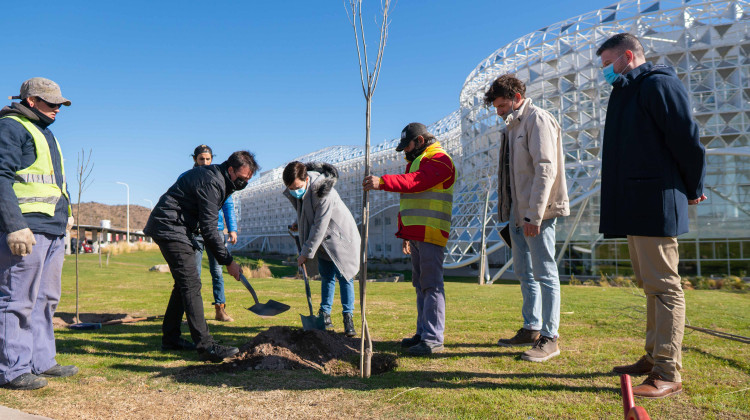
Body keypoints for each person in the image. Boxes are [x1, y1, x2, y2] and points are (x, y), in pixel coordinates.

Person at [597, 33, 706, 398]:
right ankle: (652, 356)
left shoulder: (658, 84)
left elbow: (686, 138)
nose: (605, 73)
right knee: (650, 286)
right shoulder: (628, 89)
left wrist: (693, 186)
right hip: (637, 201)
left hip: (655, 200)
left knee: (664, 286)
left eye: (607, 64)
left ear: (628, 56)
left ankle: (667, 371)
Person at [484, 74, 570, 363]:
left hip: (538, 214)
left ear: (516, 98)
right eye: (495, 106)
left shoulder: (537, 120)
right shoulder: (511, 128)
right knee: (524, 272)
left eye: (500, 105)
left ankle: (550, 337)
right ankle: (532, 327)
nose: (498, 111)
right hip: (518, 216)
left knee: (545, 273)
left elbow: (545, 169)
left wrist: (534, 214)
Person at [0, 77, 78, 390]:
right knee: (17, 300)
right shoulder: (11, 127)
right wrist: (14, 225)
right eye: (52, 103)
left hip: (54, 229)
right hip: (26, 229)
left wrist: (68, 217)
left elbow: (56, 184)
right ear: (32, 101)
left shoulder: (46, 133)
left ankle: (42, 361)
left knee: (45, 299)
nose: (58, 109)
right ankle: (11, 369)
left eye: (60, 104)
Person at [144, 151, 258, 363]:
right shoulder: (212, 182)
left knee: (182, 285)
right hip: (170, 226)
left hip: (176, 227)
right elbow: (209, 227)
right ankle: (206, 346)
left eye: (247, 180)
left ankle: (171, 339)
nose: (243, 183)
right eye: (241, 179)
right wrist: (228, 261)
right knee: (191, 283)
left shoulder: (220, 179)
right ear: (231, 169)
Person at [363, 123, 456, 356]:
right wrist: (405, 232)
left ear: (420, 141)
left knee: (431, 285)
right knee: (420, 285)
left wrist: (382, 182)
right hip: (417, 232)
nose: (405, 151)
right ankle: (423, 333)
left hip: (431, 231)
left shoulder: (439, 160)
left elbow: (417, 182)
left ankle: (433, 338)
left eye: (407, 146)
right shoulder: (417, 160)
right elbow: (409, 200)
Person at [283, 161, 360, 337]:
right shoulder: (304, 191)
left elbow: (320, 226)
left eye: (298, 187)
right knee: (327, 277)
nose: (295, 191)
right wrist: (298, 223)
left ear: (307, 179)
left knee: (345, 277)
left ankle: (348, 317)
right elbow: (308, 213)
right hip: (324, 244)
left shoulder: (323, 193)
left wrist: (305, 254)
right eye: (291, 188)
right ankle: (324, 315)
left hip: (341, 240)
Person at [186, 145, 239, 322]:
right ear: (195, 160)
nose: (205, 162)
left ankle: (220, 309)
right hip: (195, 232)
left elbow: (228, 205)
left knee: (217, 271)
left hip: (215, 231)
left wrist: (232, 229)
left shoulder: (219, 178)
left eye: (208, 159)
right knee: (194, 273)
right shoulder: (188, 177)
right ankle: (194, 313)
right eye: (202, 159)